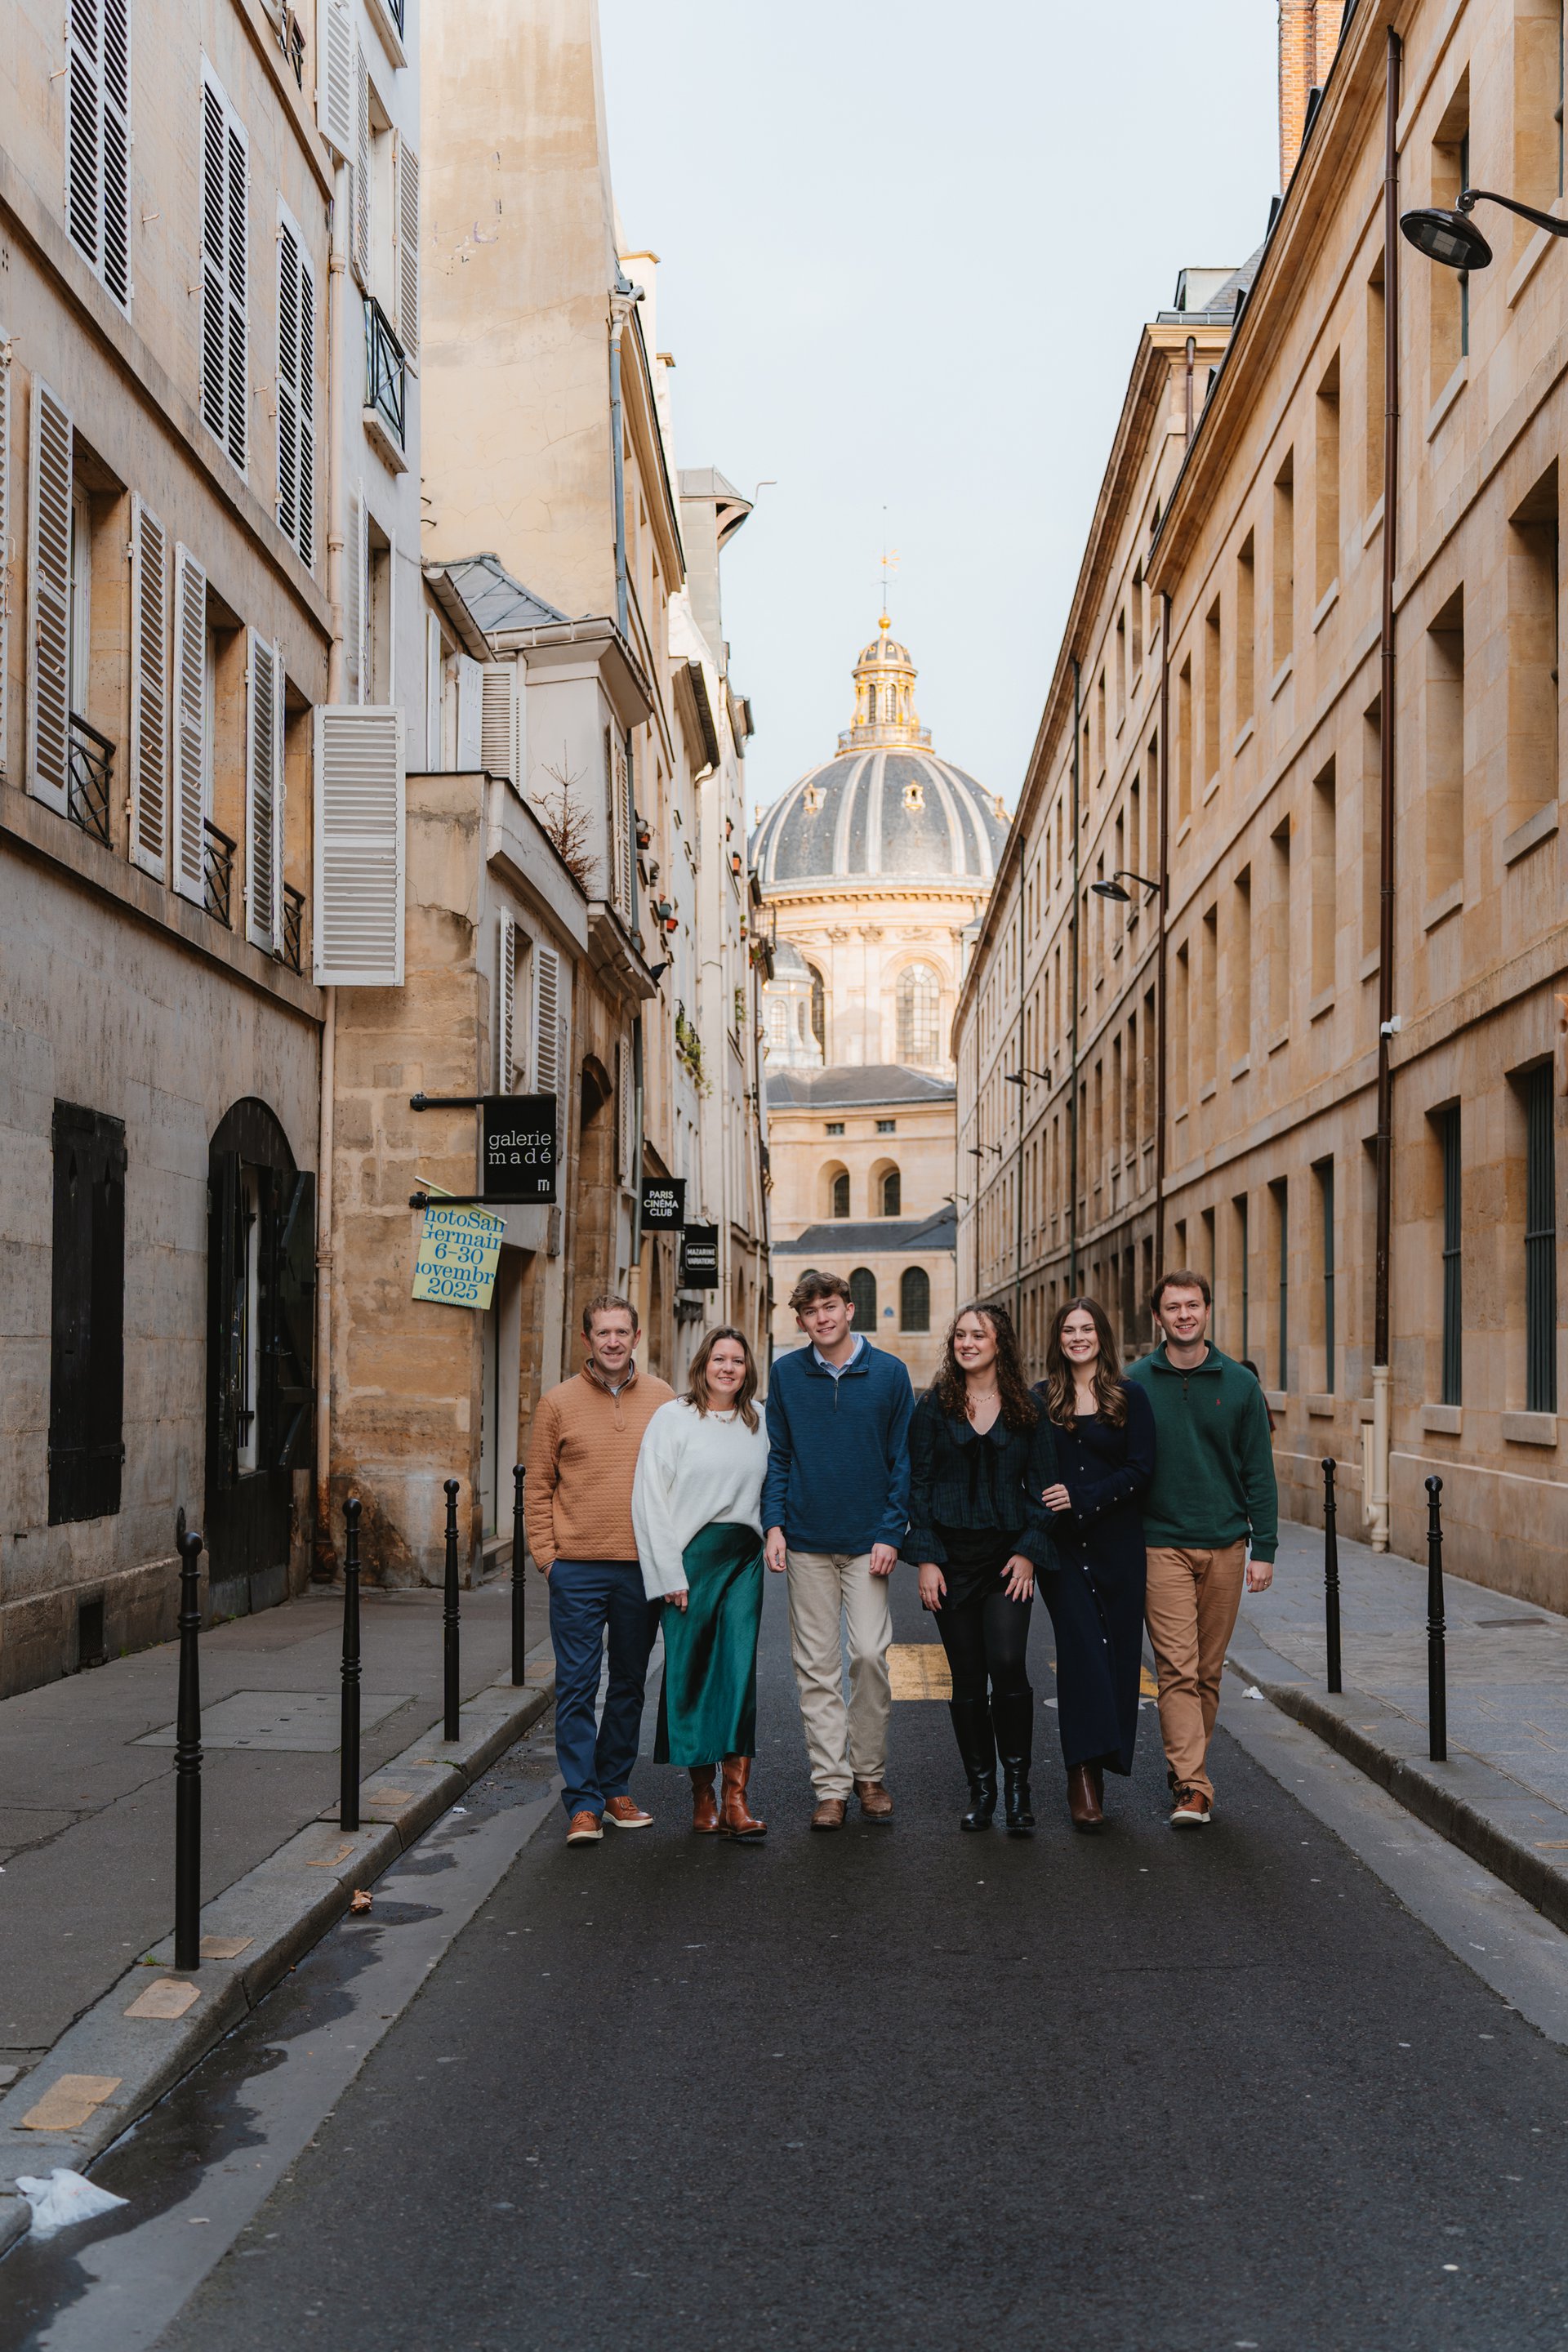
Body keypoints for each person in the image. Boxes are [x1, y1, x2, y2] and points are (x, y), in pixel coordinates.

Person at [762, 1269, 915, 1831]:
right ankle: (832, 1786)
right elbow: (779, 1456)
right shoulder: (786, 1374)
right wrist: (774, 1525)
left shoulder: (890, 1373)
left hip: (867, 1542)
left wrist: (891, 1532)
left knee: (870, 1655)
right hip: (806, 1541)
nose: (821, 1318)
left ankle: (869, 1774)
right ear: (801, 1321)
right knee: (816, 1668)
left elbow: (903, 1461)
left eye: (830, 1307)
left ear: (850, 1309)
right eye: (810, 1312)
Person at [1125, 1270, 1278, 1830]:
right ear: (1158, 1317)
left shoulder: (1239, 1384)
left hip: (1226, 1546)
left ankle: (1185, 1770)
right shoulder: (1134, 1383)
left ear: (1207, 1311)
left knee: (1208, 1673)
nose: (1184, 1315)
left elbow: (1259, 1472)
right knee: (1177, 1669)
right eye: (1173, 1307)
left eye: (1193, 1305)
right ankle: (1193, 1785)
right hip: (1160, 1544)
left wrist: (1265, 1548)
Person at [524, 1294, 674, 1846]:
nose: (613, 1341)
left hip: (641, 1569)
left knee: (630, 1684)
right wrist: (548, 1558)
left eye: (621, 1332)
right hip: (577, 1570)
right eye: (603, 1332)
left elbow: (677, 1480)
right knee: (578, 1686)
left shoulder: (663, 1399)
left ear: (636, 1338)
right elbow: (537, 1487)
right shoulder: (557, 1403)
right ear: (586, 1339)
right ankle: (583, 1802)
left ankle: (615, 1789)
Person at [907, 1302, 1056, 1835]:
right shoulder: (933, 1407)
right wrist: (926, 1558)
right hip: (950, 1561)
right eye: (961, 1335)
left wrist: (1029, 1551)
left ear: (1000, 1344)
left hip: (1007, 1559)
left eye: (979, 1335)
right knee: (967, 1674)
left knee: (1009, 1663)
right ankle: (982, 1790)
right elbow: (918, 1486)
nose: (967, 1343)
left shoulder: (1027, 1408)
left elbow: (1045, 1489)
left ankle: (1017, 1788)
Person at [631, 1327, 771, 1840]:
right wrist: (668, 1573)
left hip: (743, 1560)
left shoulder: (760, 1420)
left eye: (737, 1360)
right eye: (719, 1359)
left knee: (737, 1673)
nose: (728, 1368)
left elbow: (775, 1486)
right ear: (703, 1364)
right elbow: (649, 1498)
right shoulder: (673, 1418)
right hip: (690, 1561)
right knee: (689, 1674)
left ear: (747, 1368)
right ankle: (703, 1795)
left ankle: (737, 1799)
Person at [1034, 1298, 1156, 1832]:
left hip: (1118, 1546)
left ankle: (1105, 1759)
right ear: (1058, 1339)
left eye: (1087, 1328)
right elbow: (1030, 1470)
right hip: (1062, 1550)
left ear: (1102, 1336)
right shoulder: (1041, 1398)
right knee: (1081, 1653)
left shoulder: (1130, 1396)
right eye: (1069, 1330)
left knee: (1120, 1657)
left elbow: (1142, 1470)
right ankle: (1082, 1775)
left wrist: (1083, 1497)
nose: (1078, 1337)